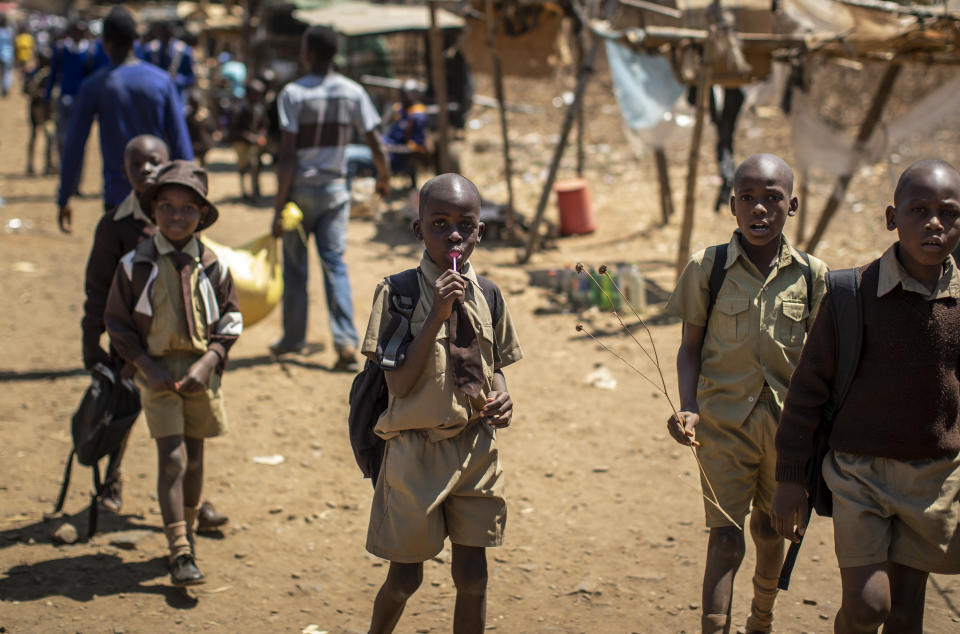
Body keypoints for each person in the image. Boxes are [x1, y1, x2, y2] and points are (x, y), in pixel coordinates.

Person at [771, 159, 960, 633]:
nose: (934, 222)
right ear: (892, 218)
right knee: (867, 606)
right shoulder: (851, 294)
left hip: (934, 481)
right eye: (919, 210)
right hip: (859, 474)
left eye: (949, 212)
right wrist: (791, 479)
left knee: (905, 614)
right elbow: (806, 392)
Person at [664, 153, 828, 633]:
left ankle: (762, 618)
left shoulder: (814, 276)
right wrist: (689, 406)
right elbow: (689, 348)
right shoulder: (708, 268)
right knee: (725, 537)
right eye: (749, 200)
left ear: (792, 205)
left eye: (772, 199)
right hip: (722, 427)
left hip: (788, 433)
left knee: (771, 526)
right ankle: (714, 626)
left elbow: (819, 366)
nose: (760, 210)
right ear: (732, 205)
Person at [362, 173, 522, 633]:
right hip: (416, 453)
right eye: (439, 223)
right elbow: (400, 384)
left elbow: (496, 366)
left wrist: (502, 396)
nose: (453, 234)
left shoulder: (489, 293)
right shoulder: (399, 293)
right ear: (419, 230)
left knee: (473, 576)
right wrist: (436, 315)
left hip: (475, 449)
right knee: (405, 576)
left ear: (479, 231)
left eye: (465, 224)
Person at [104, 160, 242, 586]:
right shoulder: (135, 264)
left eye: (188, 209)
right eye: (167, 207)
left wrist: (209, 361)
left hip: (201, 374)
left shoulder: (213, 265)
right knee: (173, 458)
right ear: (153, 210)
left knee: (196, 457)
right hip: (156, 375)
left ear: (202, 215)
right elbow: (118, 323)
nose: (177, 216)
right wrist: (145, 366)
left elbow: (232, 319)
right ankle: (179, 548)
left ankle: (189, 532)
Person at [270, 25, 390, 369]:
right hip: (335, 192)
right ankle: (345, 342)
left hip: (299, 196)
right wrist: (384, 176)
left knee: (295, 270)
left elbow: (288, 156)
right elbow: (374, 140)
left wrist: (277, 208)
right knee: (335, 265)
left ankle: (293, 338)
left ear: (307, 53)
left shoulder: (292, 94)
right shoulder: (352, 92)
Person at [56, 6, 193, 234]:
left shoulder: (95, 85)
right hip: (160, 197)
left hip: (117, 197)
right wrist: (190, 196)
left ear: (105, 43)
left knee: (120, 265)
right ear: (136, 41)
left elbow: (75, 144)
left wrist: (64, 197)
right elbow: (180, 143)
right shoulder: (162, 81)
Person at [347, 80, 430, 191]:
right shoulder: (401, 110)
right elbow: (382, 123)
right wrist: (391, 111)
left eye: (404, 94)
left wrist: (388, 149)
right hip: (382, 148)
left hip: (391, 157)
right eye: (400, 94)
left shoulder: (417, 116)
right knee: (348, 151)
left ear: (414, 95)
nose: (401, 97)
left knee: (349, 156)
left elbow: (414, 148)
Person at [229, 78, 269, 200]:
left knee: (255, 165)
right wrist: (249, 137)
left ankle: (255, 190)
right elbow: (234, 129)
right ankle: (244, 191)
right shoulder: (238, 108)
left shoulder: (260, 108)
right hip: (242, 143)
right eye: (255, 94)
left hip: (255, 143)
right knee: (243, 167)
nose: (258, 97)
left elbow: (264, 124)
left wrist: (261, 136)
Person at [137, 20, 195, 100]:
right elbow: (143, 73)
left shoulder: (183, 51)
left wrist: (177, 79)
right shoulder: (150, 50)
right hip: (155, 95)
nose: (164, 36)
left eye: (167, 32)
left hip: (177, 96)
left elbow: (191, 78)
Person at [23, 49, 55, 176]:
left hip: (47, 110)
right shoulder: (35, 74)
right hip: (36, 108)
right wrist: (37, 94)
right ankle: (30, 164)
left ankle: (48, 164)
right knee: (34, 136)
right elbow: (26, 89)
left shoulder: (49, 74)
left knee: (49, 136)